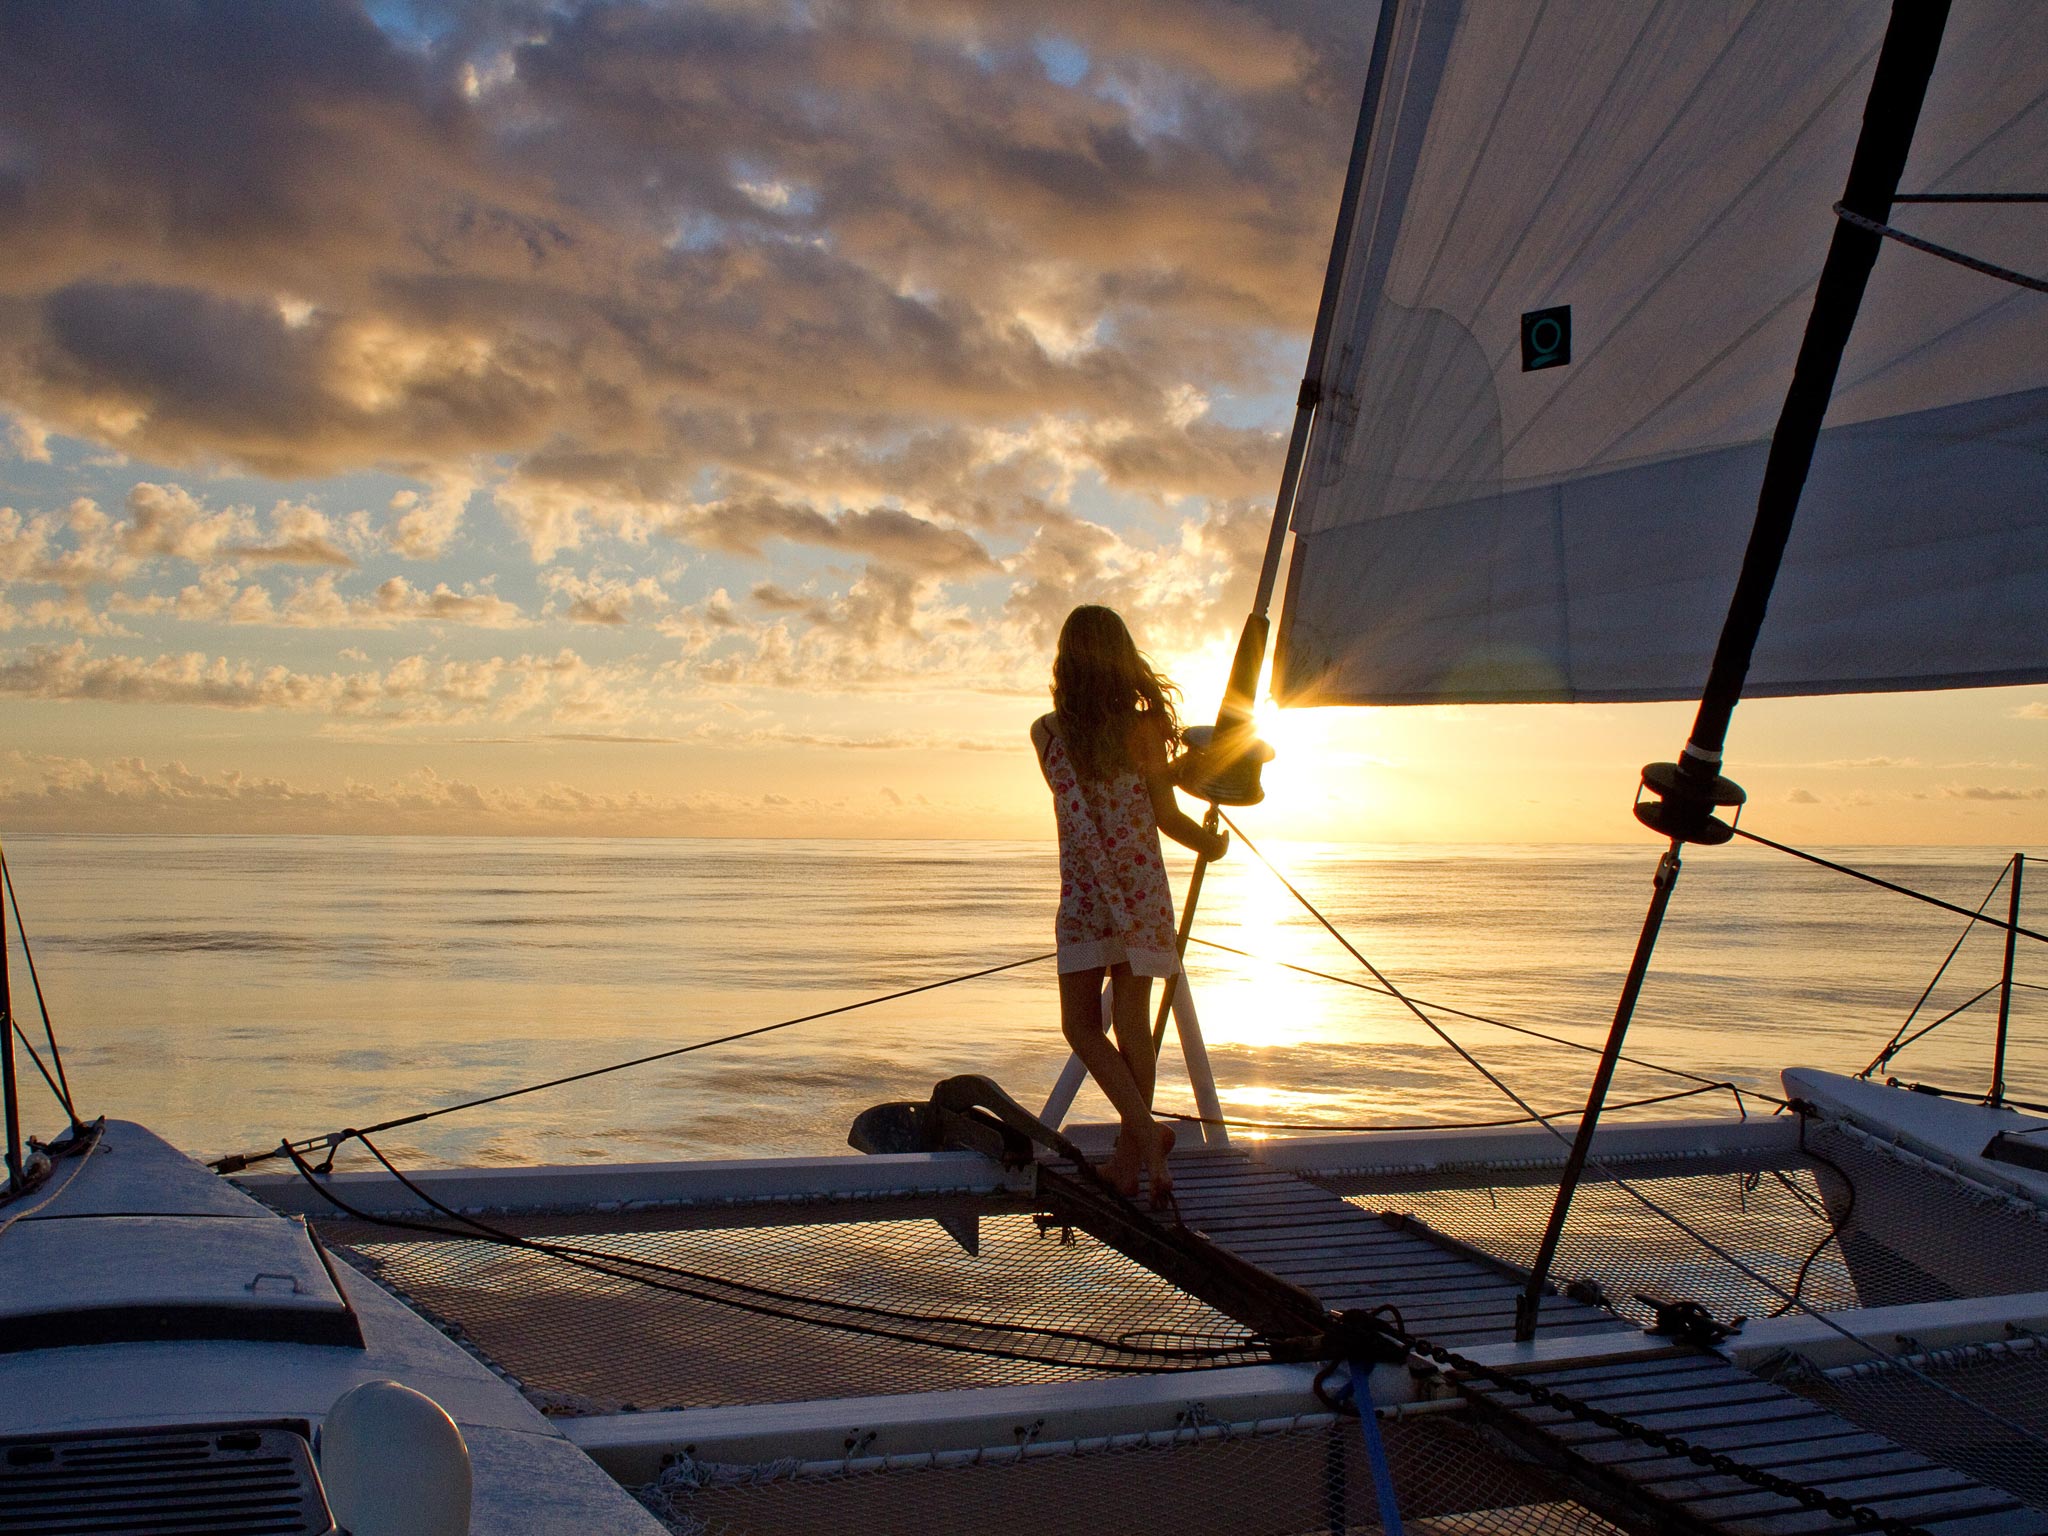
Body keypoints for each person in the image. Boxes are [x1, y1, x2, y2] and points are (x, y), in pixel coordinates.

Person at [1030, 605, 1228, 1208]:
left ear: (1067, 661)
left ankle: (1135, 1150)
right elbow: (1166, 818)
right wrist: (1212, 843)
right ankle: (1142, 1151)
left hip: (1087, 896)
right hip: (1141, 896)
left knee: (1080, 1026)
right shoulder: (1143, 733)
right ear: (1122, 659)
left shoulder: (1046, 732)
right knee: (1133, 1025)